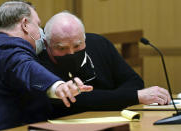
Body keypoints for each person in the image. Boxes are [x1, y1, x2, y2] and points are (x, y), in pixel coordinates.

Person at [0, 1, 93, 130]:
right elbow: (25, 69)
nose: (41, 32)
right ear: (25, 25)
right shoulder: (10, 48)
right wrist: (57, 86)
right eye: (38, 24)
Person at [38, 11, 171, 117]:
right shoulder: (41, 62)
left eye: (77, 45)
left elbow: (134, 82)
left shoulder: (99, 43)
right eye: (62, 48)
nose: (71, 52)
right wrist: (133, 97)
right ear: (46, 44)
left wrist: (108, 100)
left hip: (115, 119)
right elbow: (74, 102)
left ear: (84, 39)